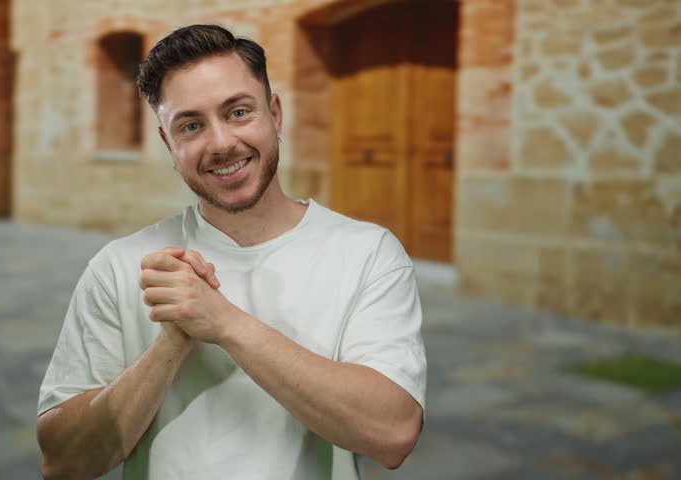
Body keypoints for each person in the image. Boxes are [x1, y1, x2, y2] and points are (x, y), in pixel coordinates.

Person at [36, 24, 426, 480]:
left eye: (239, 112)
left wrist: (222, 322)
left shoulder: (367, 253)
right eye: (191, 125)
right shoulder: (119, 265)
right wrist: (172, 344)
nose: (221, 143)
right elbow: (64, 461)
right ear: (169, 144)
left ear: (275, 114)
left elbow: (394, 433)